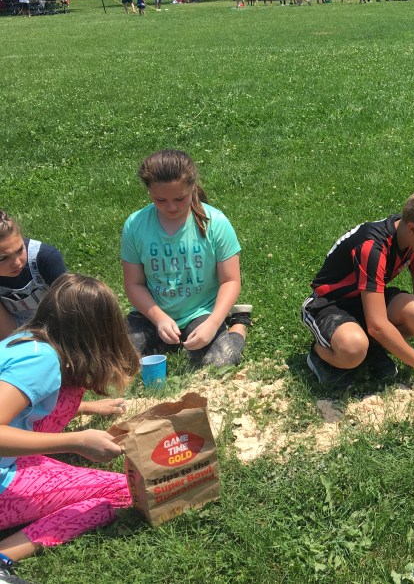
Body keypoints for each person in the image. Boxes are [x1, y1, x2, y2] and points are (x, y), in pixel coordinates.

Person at [0, 274, 139, 581]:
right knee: (124, 491)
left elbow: (23, 401)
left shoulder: (24, 343)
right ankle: (2, 557)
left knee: (71, 389)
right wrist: (76, 441)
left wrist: (87, 407)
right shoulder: (42, 361)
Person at [302, 184, 414, 388]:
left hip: (367, 298)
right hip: (330, 303)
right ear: (413, 229)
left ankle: (372, 349)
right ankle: (319, 353)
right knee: (353, 349)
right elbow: (377, 325)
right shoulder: (372, 247)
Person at [121, 149, 251, 369]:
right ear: (149, 192)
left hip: (201, 313)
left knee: (221, 361)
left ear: (192, 187)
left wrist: (213, 323)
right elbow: (134, 284)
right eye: (160, 200)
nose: (171, 207)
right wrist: (159, 318)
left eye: (179, 198)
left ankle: (239, 324)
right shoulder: (135, 225)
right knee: (116, 357)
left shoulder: (216, 222)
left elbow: (230, 280)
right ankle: (162, 340)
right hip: (153, 312)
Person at [0, 212, 66, 341]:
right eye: (3, 258)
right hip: (13, 328)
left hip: (55, 323)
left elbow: (69, 309)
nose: (17, 263)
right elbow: (7, 335)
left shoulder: (45, 258)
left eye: (20, 250)